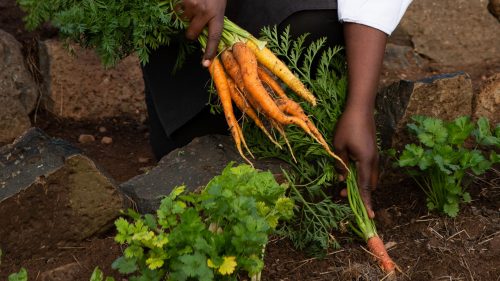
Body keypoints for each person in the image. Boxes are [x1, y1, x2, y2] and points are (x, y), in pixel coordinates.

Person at [142, 0, 412, 218]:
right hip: (197, 29)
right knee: (183, 144)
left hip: (300, 20)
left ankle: (305, 114)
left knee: (311, 21)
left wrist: (360, 106)